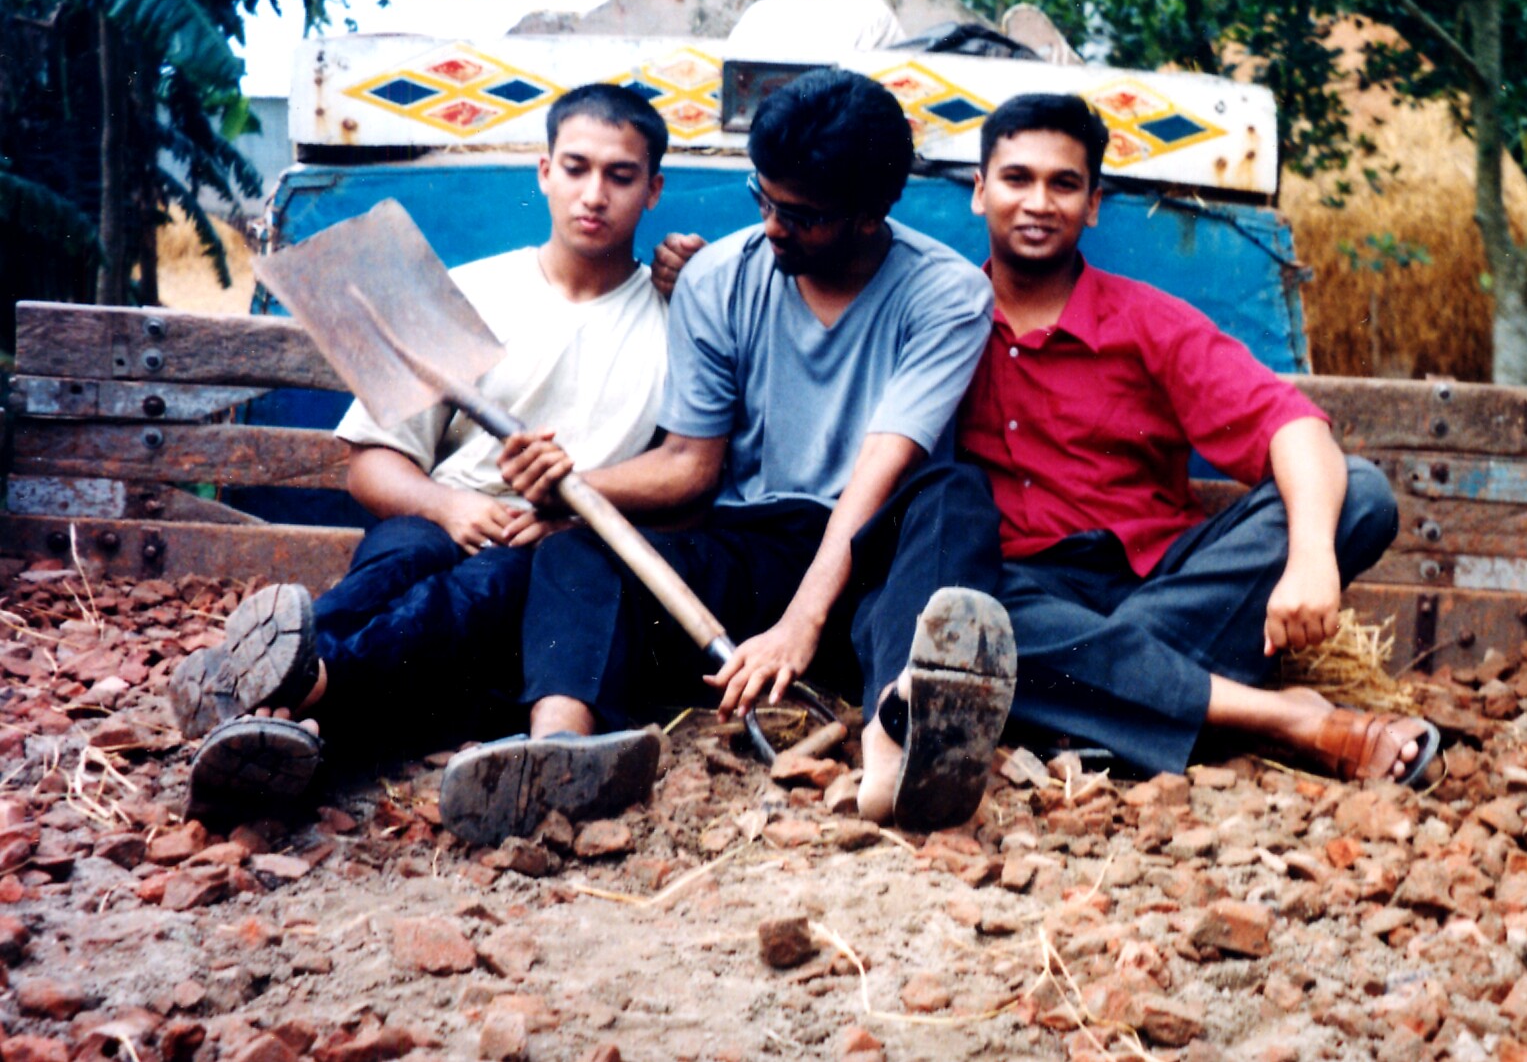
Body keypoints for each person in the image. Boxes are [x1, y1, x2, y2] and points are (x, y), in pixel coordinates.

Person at [447, 68, 1013, 843]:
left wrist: (799, 626)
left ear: (871, 211)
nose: (775, 227)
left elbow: (880, 470)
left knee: (954, 492)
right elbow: (693, 464)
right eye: (764, 199)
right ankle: (559, 749)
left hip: (879, 557)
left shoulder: (945, 292)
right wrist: (567, 493)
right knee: (578, 554)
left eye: (804, 217)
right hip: (756, 543)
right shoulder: (720, 277)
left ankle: (898, 741)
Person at [865, 92, 1439, 795]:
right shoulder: (944, 324)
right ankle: (1281, 718)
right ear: (981, 193)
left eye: (1064, 183)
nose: (1039, 201)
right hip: (1026, 588)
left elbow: (1294, 428)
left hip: (1163, 580)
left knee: (1359, 495)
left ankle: (1096, 705)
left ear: (1094, 203)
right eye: (1017, 178)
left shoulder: (1148, 320)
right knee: (965, 618)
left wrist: (1313, 559)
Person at [169, 84, 676, 815]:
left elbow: (687, 475)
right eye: (576, 168)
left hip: (555, 554)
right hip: (441, 517)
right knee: (403, 555)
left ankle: (282, 695)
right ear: (543, 172)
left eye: (620, 175)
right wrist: (451, 503)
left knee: (486, 585)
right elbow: (370, 465)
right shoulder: (469, 292)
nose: (593, 193)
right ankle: (288, 706)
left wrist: (574, 510)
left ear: (653, 189)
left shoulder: (674, 319)